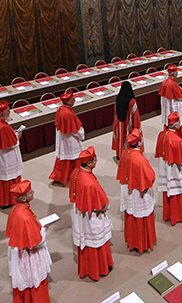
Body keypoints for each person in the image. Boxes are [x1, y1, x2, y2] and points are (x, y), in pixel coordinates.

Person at [6, 181, 52, 303]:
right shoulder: (24, 216)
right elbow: (35, 242)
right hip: (29, 254)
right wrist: (43, 231)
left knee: (26, 278)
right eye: (31, 192)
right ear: (24, 198)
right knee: (33, 277)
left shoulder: (16, 209)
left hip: (20, 249)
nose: (34, 193)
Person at [70, 147, 114, 280]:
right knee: (96, 241)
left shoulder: (76, 172)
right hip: (91, 215)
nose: (96, 161)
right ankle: (99, 268)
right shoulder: (89, 183)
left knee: (86, 240)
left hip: (80, 210)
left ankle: (87, 268)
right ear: (88, 163)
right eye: (94, 159)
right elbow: (102, 204)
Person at [117, 131, 157, 253]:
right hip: (139, 192)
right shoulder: (140, 159)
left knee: (131, 214)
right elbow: (150, 177)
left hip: (128, 190)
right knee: (141, 218)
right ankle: (142, 243)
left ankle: (132, 240)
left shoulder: (125, 153)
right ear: (139, 143)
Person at [0, 101, 24, 208]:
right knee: (9, 178)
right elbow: (11, 143)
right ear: (2, 113)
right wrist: (17, 136)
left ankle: (2, 201)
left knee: (2, 179)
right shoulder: (2, 127)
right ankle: (10, 200)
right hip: (6, 158)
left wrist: (12, 133)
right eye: (8, 110)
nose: (9, 112)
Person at [158, 113, 182, 224]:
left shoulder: (161, 135)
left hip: (165, 167)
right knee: (179, 189)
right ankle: (180, 215)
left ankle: (169, 214)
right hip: (175, 170)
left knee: (168, 190)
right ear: (176, 124)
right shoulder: (177, 141)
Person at [50, 90, 84, 185]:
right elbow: (74, 130)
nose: (74, 100)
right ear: (69, 101)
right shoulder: (68, 114)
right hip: (70, 139)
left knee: (65, 159)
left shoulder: (61, 109)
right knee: (72, 157)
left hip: (63, 137)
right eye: (73, 99)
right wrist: (81, 134)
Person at [112, 80, 142, 158]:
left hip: (119, 123)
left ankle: (120, 154)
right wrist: (137, 128)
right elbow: (135, 116)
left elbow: (115, 112)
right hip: (129, 124)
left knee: (120, 138)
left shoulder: (117, 98)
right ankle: (129, 155)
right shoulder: (132, 101)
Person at [159, 65, 182, 137]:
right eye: (176, 72)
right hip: (173, 107)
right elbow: (180, 96)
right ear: (174, 73)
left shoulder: (164, 82)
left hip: (167, 108)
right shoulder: (173, 84)